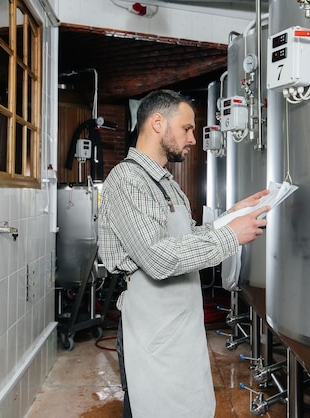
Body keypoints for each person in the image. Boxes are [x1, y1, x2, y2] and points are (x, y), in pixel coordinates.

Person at [98, 89, 270, 418]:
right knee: (151, 408)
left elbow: (186, 238)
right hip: (152, 326)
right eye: (188, 128)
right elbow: (159, 258)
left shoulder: (165, 182)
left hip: (178, 326)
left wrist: (231, 217)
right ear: (158, 123)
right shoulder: (128, 180)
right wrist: (230, 237)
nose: (193, 139)